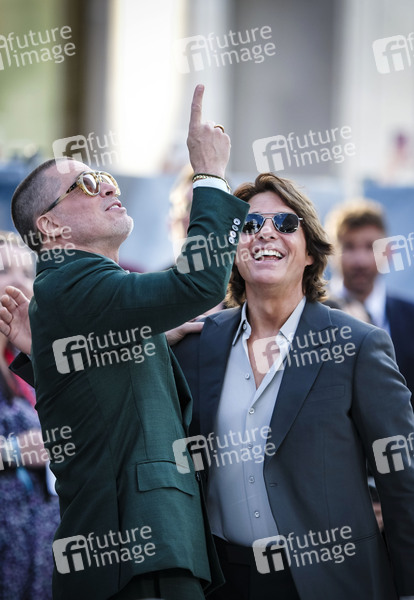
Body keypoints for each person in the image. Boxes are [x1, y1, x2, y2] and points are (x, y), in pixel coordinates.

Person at [2, 84, 249, 600]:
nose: (107, 188)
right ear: (50, 226)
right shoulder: (74, 283)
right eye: (87, 184)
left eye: (108, 179)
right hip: (138, 552)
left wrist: (44, 357)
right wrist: (208, 174)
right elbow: (198, 284)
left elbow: (96, 411)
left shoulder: (74, 292)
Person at [171, 173, 414, 600]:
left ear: (310, 252)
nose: (265, 232)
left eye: (285, 223)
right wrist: (150, 343)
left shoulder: (358, 345)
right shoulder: (193, 344)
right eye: (249, 224)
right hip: (222, 582)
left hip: (332, 583)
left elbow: (402, 480)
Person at [0, 231, 60, 600]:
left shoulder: (28, 362)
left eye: (27, 272)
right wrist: (13, 451)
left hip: (38, 561)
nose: (20, 282)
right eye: (4, 270)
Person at [324, 198, 414, 403]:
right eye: (348, 246)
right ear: (331, 251)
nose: (360, 260)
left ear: (388, 251)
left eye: (371, 247)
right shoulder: (309, 315)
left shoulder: (410, 317)